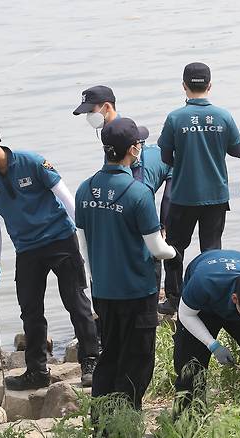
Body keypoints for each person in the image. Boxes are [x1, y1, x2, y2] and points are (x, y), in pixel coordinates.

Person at [0, 125, 99, 390]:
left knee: (76, 302)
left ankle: (91, 360)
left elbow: (66, 198)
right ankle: (36, 370)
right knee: (30, 311)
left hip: (60, 240)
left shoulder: (33, 162)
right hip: (27, 249)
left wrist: (85, 236)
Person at [74, 118, 182, 410]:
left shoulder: (85, 189)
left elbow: (83, 245)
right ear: (134, 150)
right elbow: (156, 249)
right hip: (137, 291)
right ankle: (125, 416)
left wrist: (96, 278)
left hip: (103, 291)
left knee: (109, 353)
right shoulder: (138, 193)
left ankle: (101, 418)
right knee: (138, 358)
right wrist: (174, 252)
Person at [158, 62, 240, 315]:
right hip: (216, 195)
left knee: (174, 247)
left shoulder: (175, 118)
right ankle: (213, 298)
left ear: (184, 86)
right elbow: (237, 151)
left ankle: (174, 299)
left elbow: (165, 157)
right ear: (210, 85)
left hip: (183, 195)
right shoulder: (224, 116)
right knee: (212, 248)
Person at [73, 85, 173, 293]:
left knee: (144, 254)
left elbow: (137, 178)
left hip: (134, 207)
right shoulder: (107, 133)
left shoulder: (122, 133)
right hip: (122, 208)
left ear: (107, 107)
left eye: (91, 111)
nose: (89, 117)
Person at [172, 249, 240, 415]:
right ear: (235, 300)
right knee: (190, 368)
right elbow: (186, 314)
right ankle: (188, 421)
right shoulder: (204, 282)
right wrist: (213, 345)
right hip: (203, 307)